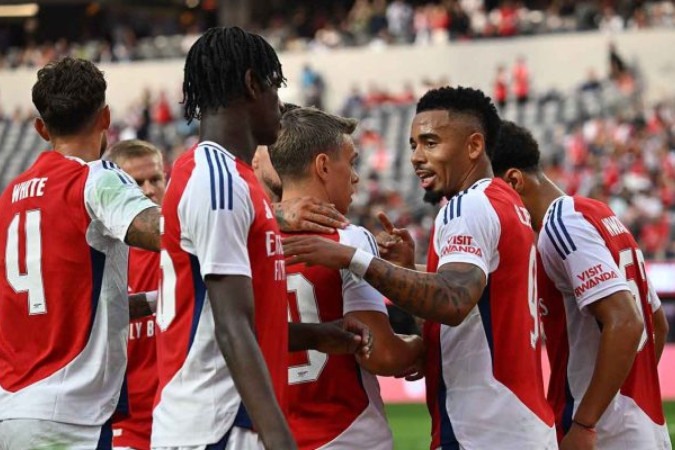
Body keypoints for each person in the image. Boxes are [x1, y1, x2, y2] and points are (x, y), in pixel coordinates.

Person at [283, 86, 557, 449]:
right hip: (514, 421)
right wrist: (402, 277)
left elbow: (453, 301)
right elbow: (456, 309)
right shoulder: (506, 202)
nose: (415, 157)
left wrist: (358, 261)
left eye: (430, 143)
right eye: (413, 144)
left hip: (482, 427)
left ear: (474, 146)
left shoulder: (466, 207)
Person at [153, 27, 371, 450]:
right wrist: (278, 436)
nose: (281, 102)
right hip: (216, 423)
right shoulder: (218, 181)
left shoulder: (228, 177)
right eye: (275, 85)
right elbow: (231, 326)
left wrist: (316, 334)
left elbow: (234, 317)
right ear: (252, 84)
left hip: (220, 420)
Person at [0, 57, 160, 449]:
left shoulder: (8, 199)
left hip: (11, 409)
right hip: (68, 417)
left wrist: (156, 300)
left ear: (40, 128)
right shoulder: (95, 178)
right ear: (106, 118)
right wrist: (264, 215)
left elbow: (68, 298)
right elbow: (167, 232)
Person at [491, 120, 672, 450]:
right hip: (639, 426)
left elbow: (627, 322)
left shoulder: (561, 225)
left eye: (489, 194)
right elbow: (655, 323)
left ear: (513, 181)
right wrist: (628, 391)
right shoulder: (599, 215)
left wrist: (587, 421)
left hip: (605, 435)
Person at [269, 107, 424, 449]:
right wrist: (420, 348)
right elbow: (378, 353)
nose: (355, 176)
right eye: (351, 162)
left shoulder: (248, 241)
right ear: (323, 166)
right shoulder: (346, 238)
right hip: (347, 432)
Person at [106, 139, 165, 450]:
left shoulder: (189, 255)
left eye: (155, 179)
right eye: (135, 183)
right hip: (124, 429)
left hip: (183, 425)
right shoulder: (101, 262)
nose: (148, 191)